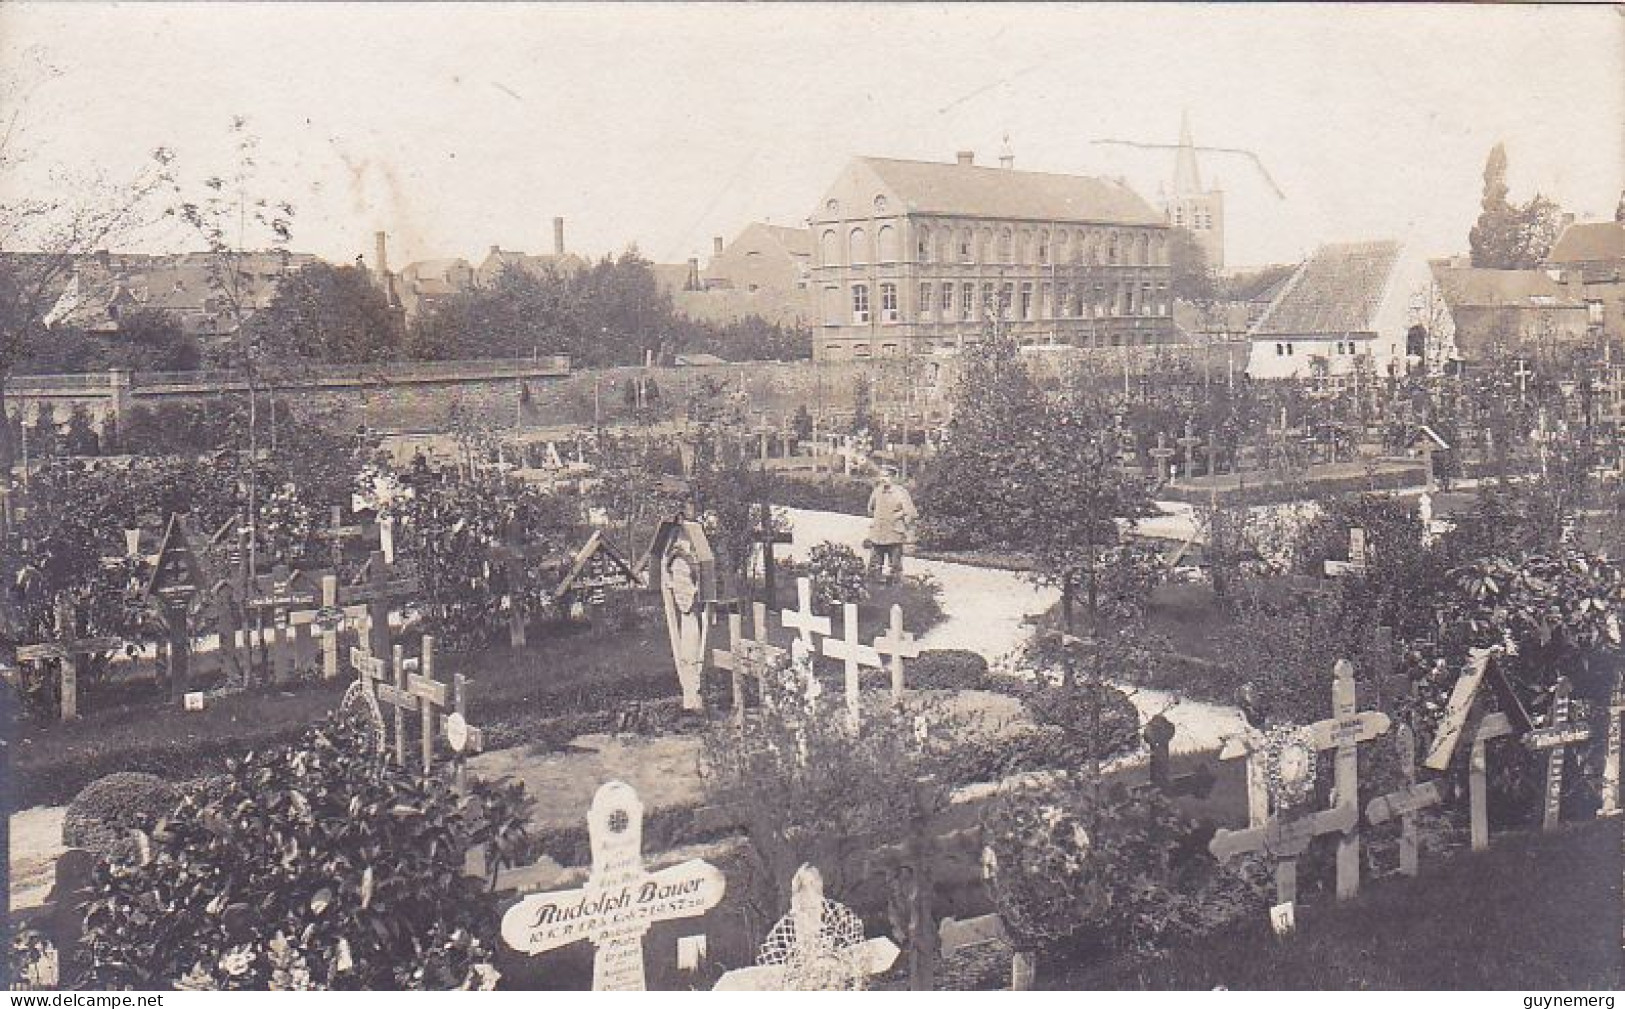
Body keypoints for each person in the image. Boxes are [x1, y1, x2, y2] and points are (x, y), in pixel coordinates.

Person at [865, 465, 917, 585]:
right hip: (878, 533)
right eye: (881, 476)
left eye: (886, 476)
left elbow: (911, 512)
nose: (883, 479)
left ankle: (896, 587)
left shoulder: (900, 492)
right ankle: (874, 588)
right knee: (874, 565)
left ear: (893, 478)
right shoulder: (877, 491)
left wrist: (899, 516)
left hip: (894, 534)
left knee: (895, 565)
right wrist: (879, 517)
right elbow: (870, 509)